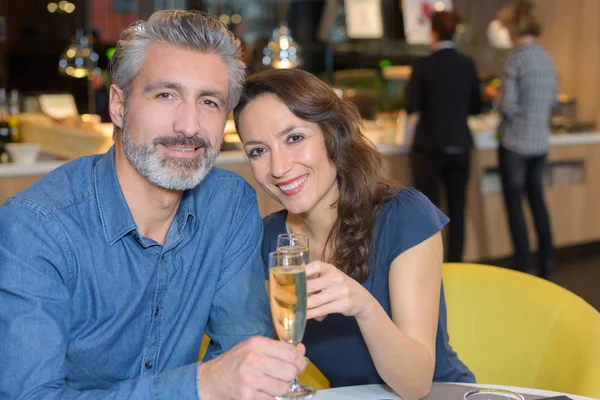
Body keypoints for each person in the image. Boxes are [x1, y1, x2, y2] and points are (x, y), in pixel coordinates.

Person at [0, 10, 307, 400]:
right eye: (166, 95)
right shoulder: (35, 228)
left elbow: (241, 353)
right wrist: (199, 386)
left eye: (209, 101)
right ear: (119, 105)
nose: (189, 126)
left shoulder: (228, 205)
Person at [234, 68, 475, 400]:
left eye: (294, 138)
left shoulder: (404, 215)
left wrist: (364, 305)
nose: (278, 167)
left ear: (332, 136)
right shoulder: (268, 241)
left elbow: (417, 384)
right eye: (258, 151)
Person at [405, 10, 482, 263]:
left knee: (428, 211)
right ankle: (456, 261)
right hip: (460, 144)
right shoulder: (467, 64)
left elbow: (412, 106)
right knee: (458, 208)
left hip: (429, 145)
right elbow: (476, 107)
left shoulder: (423, 64)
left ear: (433, 32)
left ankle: (431, 263)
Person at [497, 0, 557, 280]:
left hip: (516, 144)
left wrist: (494, 98)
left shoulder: (516, 59)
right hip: (540, 143)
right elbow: (553, 100)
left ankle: (524, 266)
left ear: (513, 27)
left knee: (515, 207)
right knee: (538, 202)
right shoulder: (547, 58)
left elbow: (508, 106)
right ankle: (548, 261)